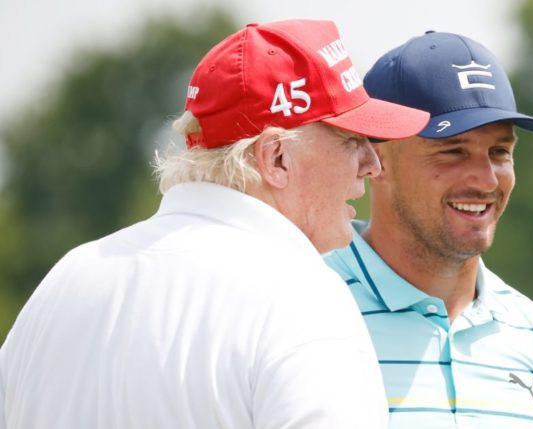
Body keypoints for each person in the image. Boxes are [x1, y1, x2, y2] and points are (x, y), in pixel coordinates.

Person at [0, 20, 429, 429]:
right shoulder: (302, 296)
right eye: (352, 141)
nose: (371, 165)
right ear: (276, 158)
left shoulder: (67, 279)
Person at [323, 31, 533, 428]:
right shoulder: (306, 303)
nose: (487, 179)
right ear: (375, 159)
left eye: (500, 152)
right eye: (453, 150)